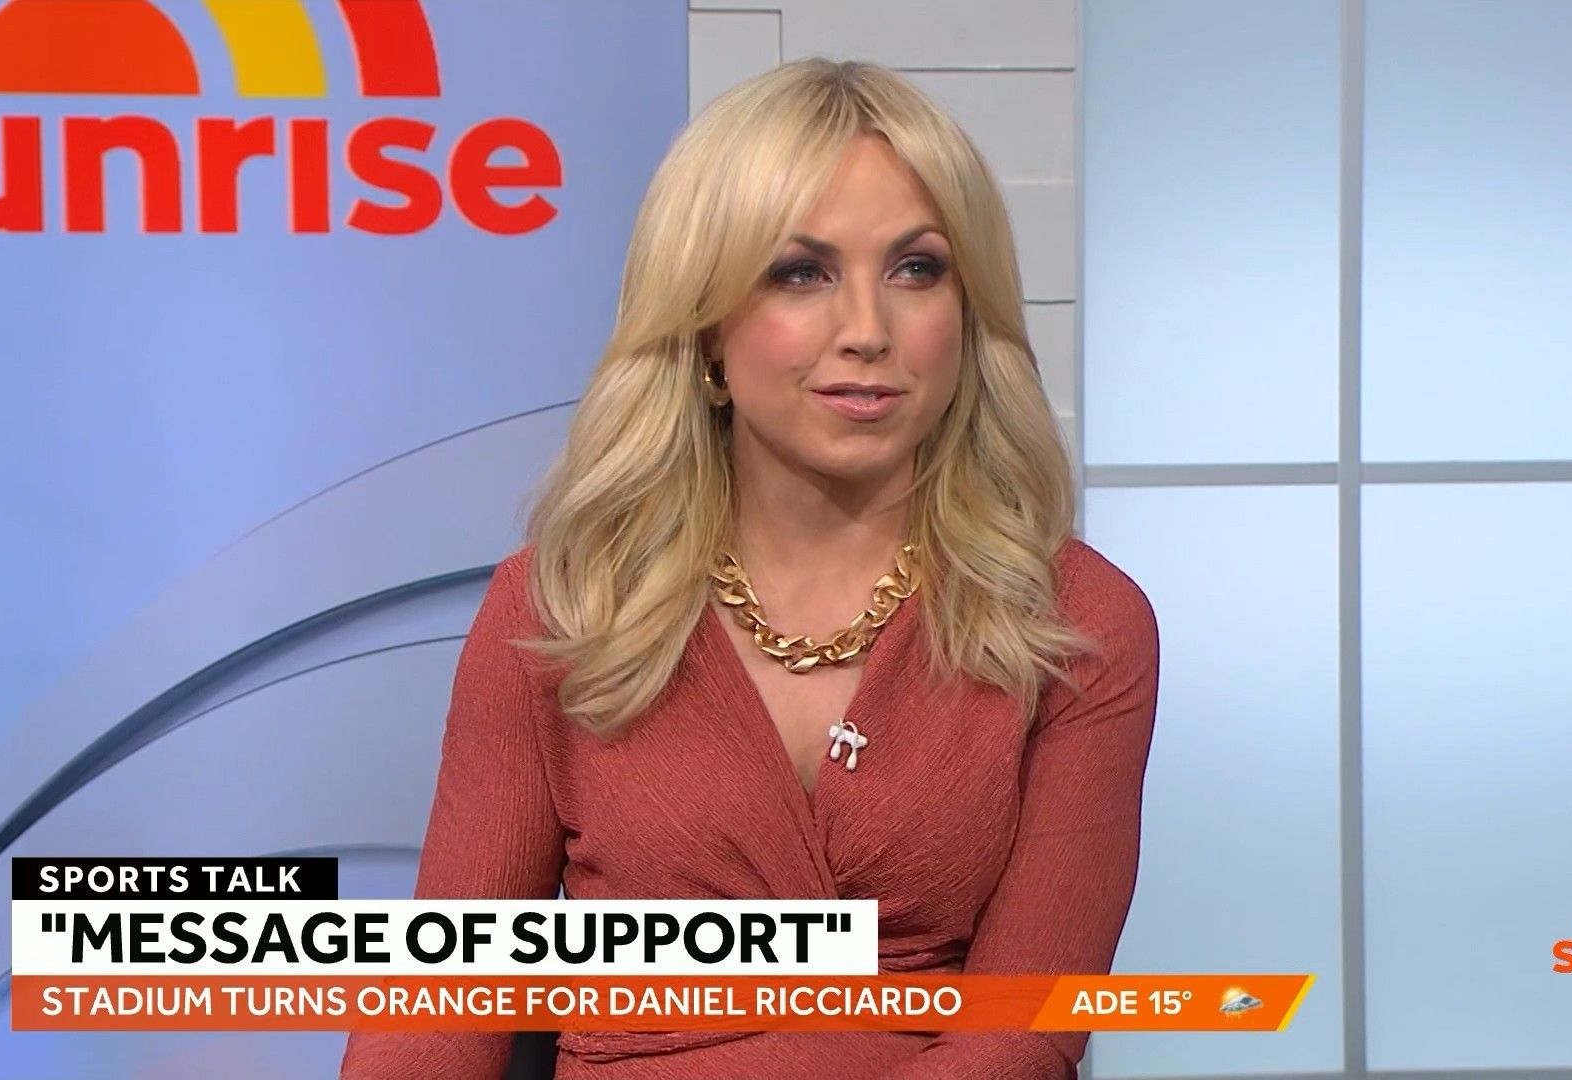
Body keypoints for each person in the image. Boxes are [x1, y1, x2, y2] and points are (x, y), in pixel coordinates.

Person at [341, 57, 1159, 1079]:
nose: (867, 331)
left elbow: (1023, 1032)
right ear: (704, 326)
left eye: (916, 270)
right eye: (800, 273)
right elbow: (440, 1012)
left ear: (969, 312)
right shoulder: (561, 605)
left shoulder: (1077, 621)